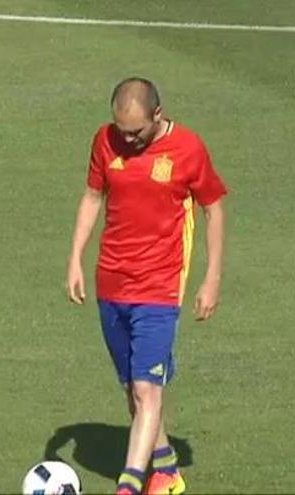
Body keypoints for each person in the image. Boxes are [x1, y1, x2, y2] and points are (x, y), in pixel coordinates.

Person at [66, 77, 227, 495]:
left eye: (136, 131)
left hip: (159, 286)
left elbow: (214, 210)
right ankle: (167, 469)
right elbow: (91, 197)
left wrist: (211, 279)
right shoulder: (105, 141)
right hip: (111, 282)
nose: (128, 139)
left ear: (158, 114)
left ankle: (130, 485)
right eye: (122, 131)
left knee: (146, 387)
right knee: (131, 388)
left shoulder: (189, 149)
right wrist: (75, 259)